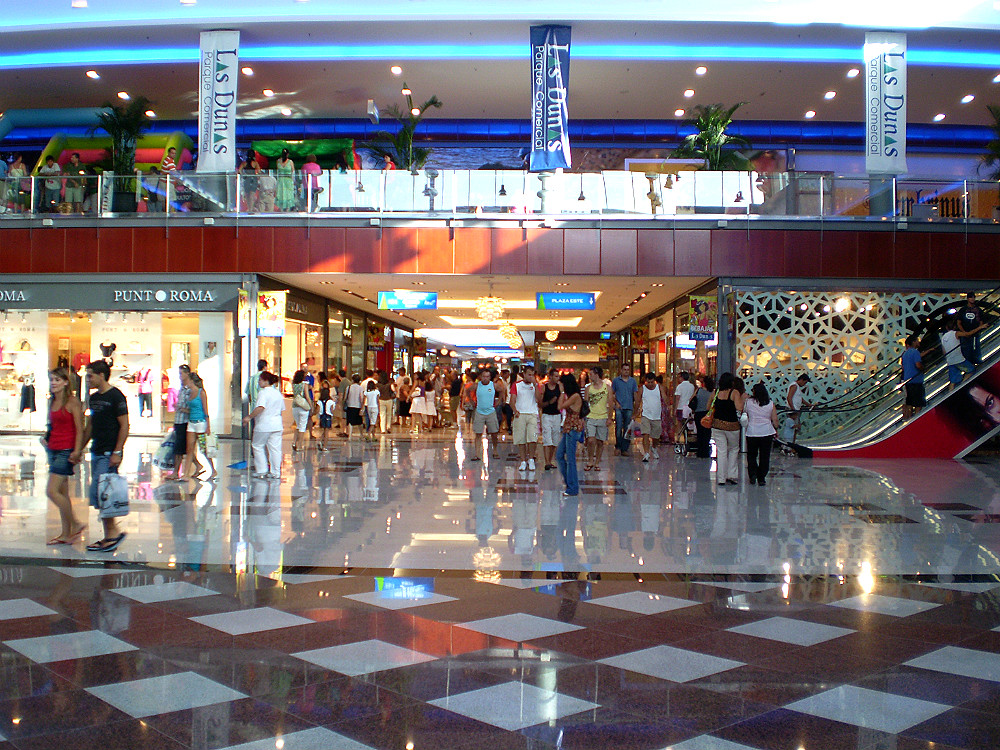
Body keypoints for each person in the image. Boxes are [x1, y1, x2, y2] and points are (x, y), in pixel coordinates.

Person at [80, 360, 129, 552]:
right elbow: (91, 425)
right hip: (97, 450)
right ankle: (112, 533)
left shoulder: (116, 397)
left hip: (109, 452)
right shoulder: (93, 398)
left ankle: (111, 535)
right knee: (99, 494)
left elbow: (124, 425)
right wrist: (80, 447)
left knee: (102, 494)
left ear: (101, 375)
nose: (88, 379)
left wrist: (117, 451)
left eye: (91, 375)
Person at [41, 368, 86, 545]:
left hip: (66, 450)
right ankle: (66, 533)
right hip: (52, 448)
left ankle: (75, 523)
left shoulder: (72, 402)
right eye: (52, 380)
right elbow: (52, 425)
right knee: (62, 493)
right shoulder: (52, 401)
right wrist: (46, 439)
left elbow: (79, 427)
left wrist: (77, 450)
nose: (53, 383)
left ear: (66, 382)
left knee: (51, 491)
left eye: (57, 380)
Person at [243, 372, 284, 478]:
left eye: (260, 380)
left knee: (257, 445)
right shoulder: (277, 393)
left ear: (266, 381)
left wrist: (249, 417)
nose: (259, 382)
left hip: (264, 424)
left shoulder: (263, 393)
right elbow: (282, 409)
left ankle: (262, 470)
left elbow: (261, 407)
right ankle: (276, 472)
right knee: (275, 449)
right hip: (277, 424)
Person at [711, 372, 745, 485]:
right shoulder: (734, 392)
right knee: (734, 449)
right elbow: (739, 407)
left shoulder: (716, 392)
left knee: (721, 451)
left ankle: (721, 478)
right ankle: (732, 475)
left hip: (717, 425)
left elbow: (708, 406)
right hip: (732, 426)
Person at [744, 382, 779, 486]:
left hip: (752, 432)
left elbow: (744, 412)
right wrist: (776, 429)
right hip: (767, 432)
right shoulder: (770, 403)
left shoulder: (748, 402)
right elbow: (775, 419)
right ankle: (762, 477)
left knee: (751, 455)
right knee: (764, 456)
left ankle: (753, 474)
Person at [556, 373, 585, 497]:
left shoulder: (575, 396)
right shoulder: (572, 396)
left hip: (573, 429)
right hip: (568, 428)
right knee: (559, 455)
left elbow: (560, 407)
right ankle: (569, 483)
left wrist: (562, 393)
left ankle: (573, 487)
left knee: (571, 459)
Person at [584, 367, 615, 471]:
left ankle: (597, 461)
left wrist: (610, 418)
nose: (590, 376)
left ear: (597, 374)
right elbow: (585, 403)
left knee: (600, 441)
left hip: (603, 416)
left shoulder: (607, 388)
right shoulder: (589, 388)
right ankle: (590, 460)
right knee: (591, 440)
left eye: (591, 374)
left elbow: (610, 403)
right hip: (591, 416)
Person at [510, 365, 541, 471]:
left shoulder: (535, 385)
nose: (531, 377)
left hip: (532, 413)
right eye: (529, 374)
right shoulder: (516, 385)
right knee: (521, 439)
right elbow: (512, 400)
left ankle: (531, 459)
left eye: (532, 375)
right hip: (520, 414)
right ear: (524, 374)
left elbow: (539, 398)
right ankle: (523, 460)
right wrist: (515, 411)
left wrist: (536, 385)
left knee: (532, 438)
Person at [183, 371, 211, 479]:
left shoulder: (201, 393)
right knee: (189, 448)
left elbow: (205, 410)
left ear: (191, 381)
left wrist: (208, 426)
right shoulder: (189, 393)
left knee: (203, 448)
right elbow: (191, 408)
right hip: (191, 422)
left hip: (201, 423)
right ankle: (185, 474)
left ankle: (213, 469)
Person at [471, 369, 500, 461]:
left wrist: (499, 401)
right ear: (481, 377)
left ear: (490, 377)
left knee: (494, 433)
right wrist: (472, 401)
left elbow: (503, 390)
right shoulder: (477, 385)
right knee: (478, 433)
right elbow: (467, 390)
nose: (485, 378)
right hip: (479, 411)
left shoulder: (494, 385)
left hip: (490, 411)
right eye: (484, 376)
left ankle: (495, 450)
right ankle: (477, 454)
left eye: (487, 376)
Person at [610, 365, 639, 457]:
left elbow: (635, 394)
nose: (626, 371)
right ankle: (618, 447)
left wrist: (636, 409)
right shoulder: (616, 381)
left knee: (627, 428)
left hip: (629, 407)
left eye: (628, 369)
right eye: (624, 370)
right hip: (619, 407)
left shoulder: (633, 381)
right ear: (621, 370)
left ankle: (625, 448)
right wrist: (616, 403)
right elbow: (612, 394)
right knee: (618, 427)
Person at [637, 372, 666, 462]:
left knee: (656, 436)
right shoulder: (642, 389)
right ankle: (646, 453)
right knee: (645, 434)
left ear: (655, 381)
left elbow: (665, 398)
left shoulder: (659, 388)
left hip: (656, 416)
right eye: (648, 382)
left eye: (651, 382)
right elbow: (638, 401)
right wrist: (636, 412)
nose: (649, 384)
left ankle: (654, 447)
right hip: (646, 415)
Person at [941, 319, 977, 389]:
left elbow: (944, 351)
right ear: (954, 327)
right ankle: (963, 384)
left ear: (946, 327)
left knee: (953, 381)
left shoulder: (943, 337)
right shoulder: (955, 333)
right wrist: (980, 327)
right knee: (971, 369)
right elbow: (967, 334)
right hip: (958, 359)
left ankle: (950, 392)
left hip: (950, 361)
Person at [540, 368, 562, 470]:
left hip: (557, 415)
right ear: (551, 377)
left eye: (558, 376)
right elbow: (540, 403)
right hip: (546, 415)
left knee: (555, 438)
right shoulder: (544, 387)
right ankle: (547, 461)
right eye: (556, 376)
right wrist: (549, 402)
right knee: (546, 437)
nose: (557, 378)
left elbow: (563, 398)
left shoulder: (560, 387)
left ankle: (550, 459)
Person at [902, 334, 925, 420]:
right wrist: (923, 368)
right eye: (917, 340)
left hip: (908, 381)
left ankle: (909, 419)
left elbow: (903, 367)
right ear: (913, 342)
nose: (918, 342)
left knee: (910, 402)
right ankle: (917, 419)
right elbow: (918, 365)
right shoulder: (915, 352)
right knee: (919, 403)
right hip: (916, 380)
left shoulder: (905, 354)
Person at [958, 293, 985, 367]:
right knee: (966, 349)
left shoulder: (978, 310)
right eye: (971, 297)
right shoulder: (963, 310)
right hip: (966, 333)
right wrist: (964, 332)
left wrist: (978, 329)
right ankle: (969, 362)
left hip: (975, 333)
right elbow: (959, 322)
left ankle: (976, 361)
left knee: (976, 347)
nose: (972, 299)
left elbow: (981, 321)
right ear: (967, 299)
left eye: (973, 297)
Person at [786, 372, 812, 441]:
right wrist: (793, 409)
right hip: (793, 410)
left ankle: (793, 443)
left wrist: (808, 404)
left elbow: (800, 398)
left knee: (796, 428)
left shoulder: (797, 387)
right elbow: (789, 397)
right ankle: (791, 444)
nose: (804, 385)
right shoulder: (794, 386)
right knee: (794, 427)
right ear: (801, 380)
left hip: (795, 409)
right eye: (805, 382)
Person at [291, 369, 312, 451]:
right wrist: (310, 405)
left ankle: (294, 442)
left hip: (295, 406)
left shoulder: (294, 384)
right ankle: (299, 445)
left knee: (298, 425)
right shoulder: (304, 384)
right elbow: (307, 396)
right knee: (302, 427)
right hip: (303, 406)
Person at [693, 376, 714, 458]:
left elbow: (692, 398)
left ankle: (700, 450)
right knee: (707, 432)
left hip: (698, 413)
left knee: (700, 432)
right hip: (708, 414)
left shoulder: (699, 390)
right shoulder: (712, 392)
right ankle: (706, 450)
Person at [674, 371, 695, 443]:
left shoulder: (679, 386)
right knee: (690, 422)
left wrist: (675, 408)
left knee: (679, 422)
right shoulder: (692, 386)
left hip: (681, 407)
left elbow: (677, 398)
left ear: (681, 377)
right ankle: (690, 438)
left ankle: (678, 438)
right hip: (689, 407)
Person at [345, 373, 364, 439]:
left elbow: (345, 397)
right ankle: (361, 434)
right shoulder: (360, 388)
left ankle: (350, 436)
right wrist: (362, 407)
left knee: (350, 421)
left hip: (350, 406)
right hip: (357, 406)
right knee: (359, 422)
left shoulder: (349, 387)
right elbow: (361, 398)